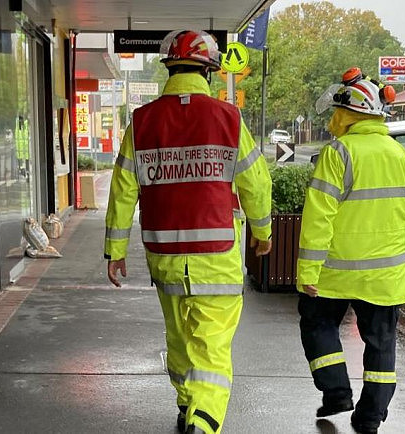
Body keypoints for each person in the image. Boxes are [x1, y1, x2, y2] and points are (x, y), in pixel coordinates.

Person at [103, 30, 272, 434]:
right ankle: (203, 421)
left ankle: (186, 406)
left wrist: (115, 249)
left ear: (168, 69)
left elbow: (123, 188)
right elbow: (256, 182)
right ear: (209, 72)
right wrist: (263, 230)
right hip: (217, 252)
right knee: (211, 347)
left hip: (163, 256)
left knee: (178, 339)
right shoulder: (228, 118)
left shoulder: (142, 122)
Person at [296, 67, 405, 434]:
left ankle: (336, 391)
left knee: (317, 323)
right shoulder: (400, 155)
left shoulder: (338, 154)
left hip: (336, 270)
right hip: (386, 275)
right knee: (381, 346)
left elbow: (319, 217)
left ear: (351, 113)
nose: (334, 118)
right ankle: (370, 416)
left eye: (338, 111)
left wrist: (307, 273)